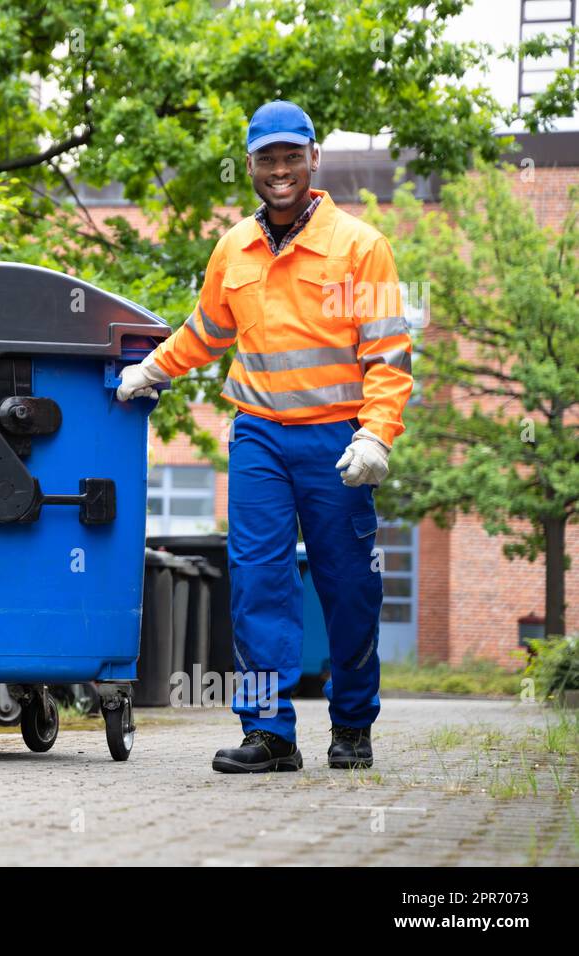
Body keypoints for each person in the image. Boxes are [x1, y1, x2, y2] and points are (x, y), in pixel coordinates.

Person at [117, 100, 413, 772]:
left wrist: (377, 434)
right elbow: (207, 332)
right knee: (257, 583)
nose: (279, 170)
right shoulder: (234, 249)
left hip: (338, 441)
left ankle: (352, 724)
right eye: (266, 158)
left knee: (348, 587)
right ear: (250, 165)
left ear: (314, 158)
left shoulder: (360, 247)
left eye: (290, 156)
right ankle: (270, 733)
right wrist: (150, 369)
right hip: (258, 438)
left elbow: (389, 354)